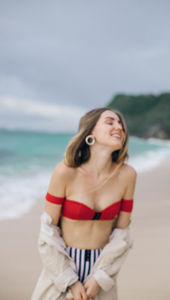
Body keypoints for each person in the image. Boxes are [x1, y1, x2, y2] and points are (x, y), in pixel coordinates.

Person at [31, 107, 137, 300]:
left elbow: (122, 235)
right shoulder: (65, 172)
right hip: (60, 275)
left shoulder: (127, 175)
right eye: (110, 122)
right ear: (90, 132)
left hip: (101, 277)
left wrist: (100, 278)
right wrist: (69, 281)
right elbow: (48, 232)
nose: (119, 127)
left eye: (120, 123)